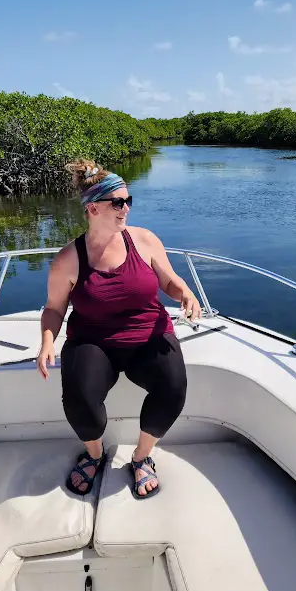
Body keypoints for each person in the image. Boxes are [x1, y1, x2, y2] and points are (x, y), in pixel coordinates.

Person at [37, 159, 201, 499]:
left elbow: (168, 280)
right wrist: (47, 341)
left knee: (173, 387)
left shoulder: (144, 240)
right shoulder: (68, 259)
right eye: (118, 202)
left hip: (148, 334)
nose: (126, 208)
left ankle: (141, 457)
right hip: (93, 340)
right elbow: (54, 309)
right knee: (79, 398)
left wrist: (184, 291)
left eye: (128, 200)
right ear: (93, 207)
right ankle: (94, 454)